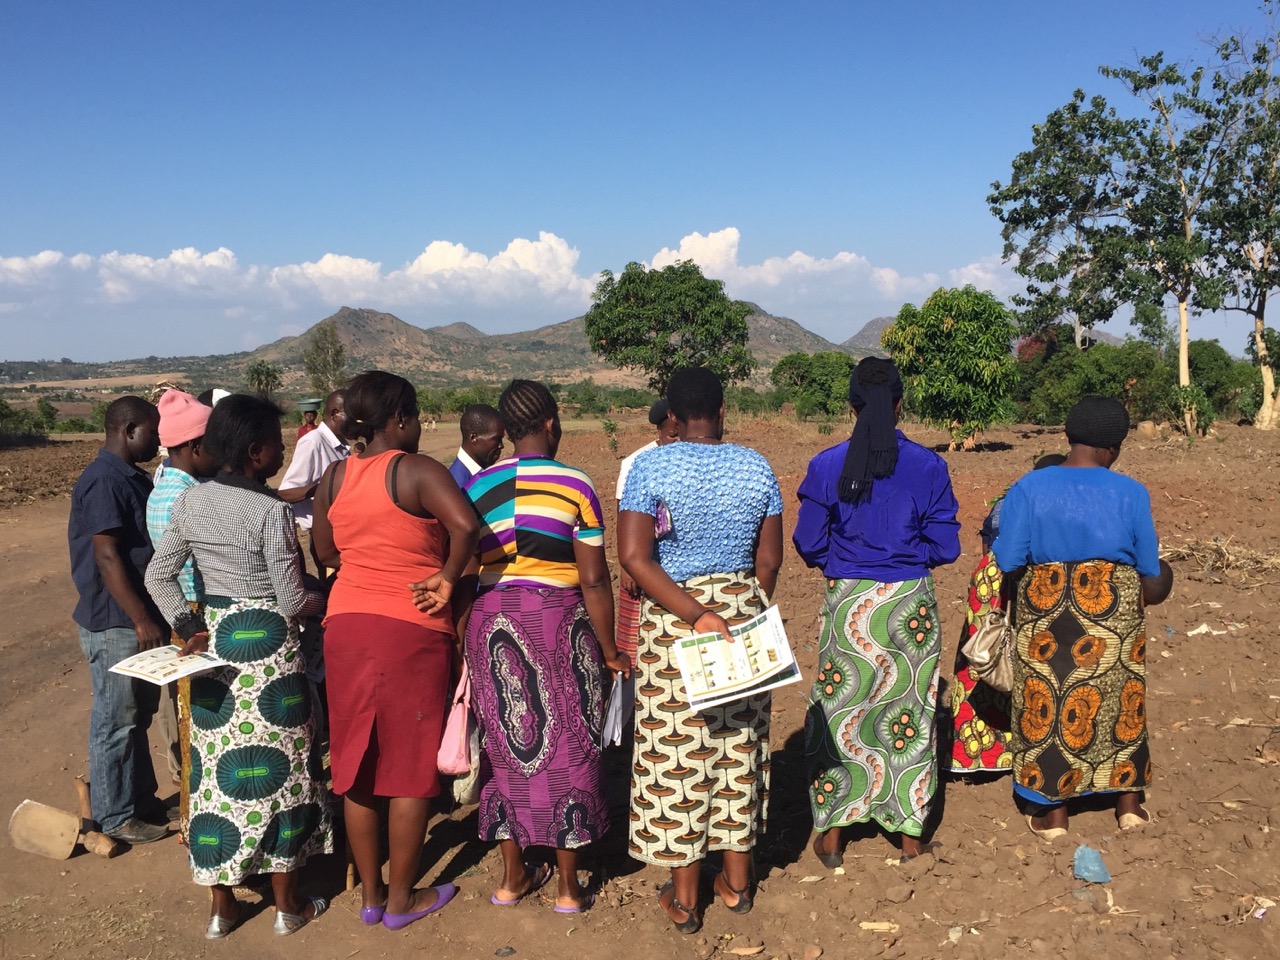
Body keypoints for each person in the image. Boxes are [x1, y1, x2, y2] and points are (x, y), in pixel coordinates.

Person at [145, 394, 333, 939]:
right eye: (278, 442)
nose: (284, 450)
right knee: (285, 773)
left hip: (216, 651)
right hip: (270, 652)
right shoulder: (270, 512)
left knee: (214, 780)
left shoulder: (192, 503)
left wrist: (186, 626)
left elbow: (159, 575)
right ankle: (288, 906)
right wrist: (322, 599)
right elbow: (292, 601)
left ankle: (222, 910)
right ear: (256, 452)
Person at [310, 372, 479, 930]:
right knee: (407, 765)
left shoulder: (335, 477)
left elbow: (326, 547)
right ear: (401, 419)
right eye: (417, 415)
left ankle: (371, 897)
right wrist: (447, 577)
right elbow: (466, 527)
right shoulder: (417, 470)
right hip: (409, 627)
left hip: (345, 624)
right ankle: (403, 899)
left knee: (356, 762)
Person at [618, 367, 783, 934]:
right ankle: (737, 885)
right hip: (743, 612)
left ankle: (685, 900)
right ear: (721, 409)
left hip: (676, 620)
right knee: (739, 746)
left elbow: (636, 558)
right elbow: (770, 560)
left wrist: (697, 614)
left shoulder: (650, 466)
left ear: (673, 414)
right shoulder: (757, 467)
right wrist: (747, 610)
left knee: (678, 754)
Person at [458, 379, 628, 914]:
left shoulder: (475, 487)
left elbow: (465, 572)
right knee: (571, 743)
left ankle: (512, 879)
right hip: (557, 619)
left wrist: (467, 641)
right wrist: (611, 648)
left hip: (491, 622)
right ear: (552, 423)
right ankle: (568, 888)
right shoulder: (575, 484)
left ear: (505, 430)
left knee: (506, 744)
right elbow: (595, 579)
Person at [792, 357, 960, 866]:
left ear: (852, 407)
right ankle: (909, 836)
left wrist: (848, 566)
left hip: (849, 603)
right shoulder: (929, 466)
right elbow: (945, 546)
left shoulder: (826, 466)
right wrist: (902, 561)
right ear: (901, 404)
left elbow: (807, 541)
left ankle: (834, 835)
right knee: (909, 714)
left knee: (843, 712)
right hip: (910, 605)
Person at [993, 395, 1170, 839]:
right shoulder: (1131, 492)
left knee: (1048, 700)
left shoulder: (1030, 487)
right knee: (1120, 698)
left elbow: (1010, 559)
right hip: (1113, 609)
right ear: (1113, 448)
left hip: (1048, 611)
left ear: (1068, 436)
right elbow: (1150, 570)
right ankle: (1128, 805)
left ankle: (1053, 814)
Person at [68, 396, 170, 845]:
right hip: (117, 622)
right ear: (130, 430)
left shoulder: (128, 477)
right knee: (116, 719)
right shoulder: (104, 481)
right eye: (153, 431)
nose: (159, 439)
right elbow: (107, 555)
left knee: (137, 713)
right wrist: (141, 618)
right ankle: (115, 816)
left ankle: (138, 798)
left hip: (130, 618)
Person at [949, 453, 1066, 775]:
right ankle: (1023, 744)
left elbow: (988, 547)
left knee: (982, 655)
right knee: (1032, 660)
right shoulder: (1059, 504)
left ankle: (972, 752)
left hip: (990, 578)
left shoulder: (1011, 497)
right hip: (1030, 578)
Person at [146, 389, 219, 837]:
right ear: (195, 447)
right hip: (198, 617)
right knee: (204, 727)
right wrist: (192, 623)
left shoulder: (166, 485)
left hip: (188, 618)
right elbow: (167, 573)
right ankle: (201, 822)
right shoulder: (187, 499)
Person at [613, 398, 679, 661]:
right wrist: (626, 567)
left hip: (673, 558)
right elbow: (622, 516)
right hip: (642, 558)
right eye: (671, 435)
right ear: (659, 432)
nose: (676, 441)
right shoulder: (636, 462)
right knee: (636, 637)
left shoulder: (686, 458)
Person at [278, 389, 349, 568]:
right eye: (353, 416)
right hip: (325, 535)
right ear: (335, 414)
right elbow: (286, 492)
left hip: (345, 531)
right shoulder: (313, 442)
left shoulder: (343, 444)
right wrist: (325, 489)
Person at [447, 403, 505, 487]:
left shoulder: (482, 472)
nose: (501, 445)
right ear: (474, 438)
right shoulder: (458, 485)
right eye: (496, 439)